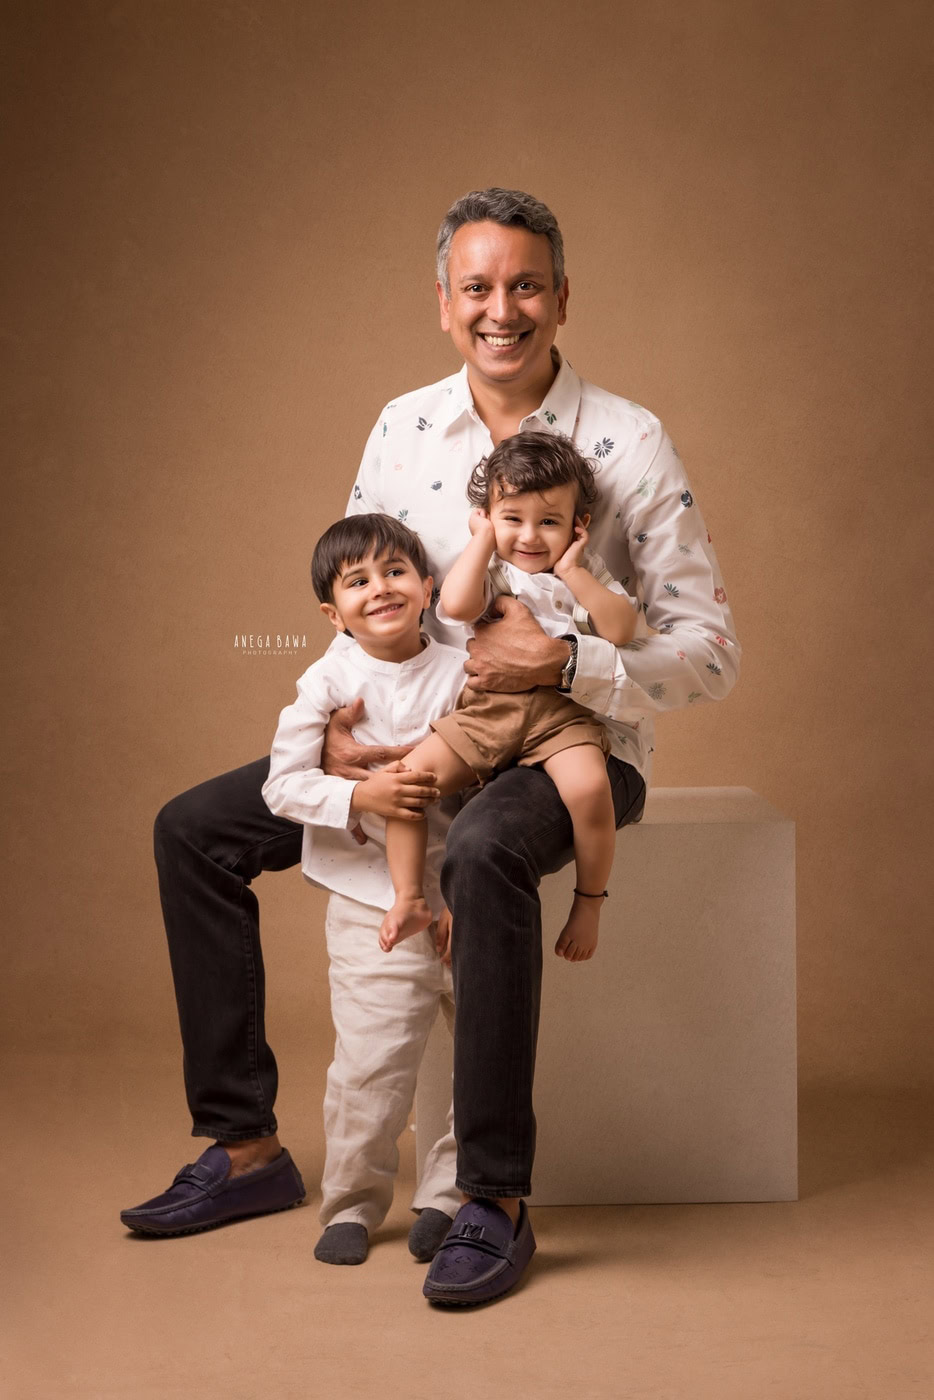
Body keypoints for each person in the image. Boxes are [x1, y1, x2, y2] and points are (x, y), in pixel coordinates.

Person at [122, 187, 739, 1309]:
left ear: (561, 298)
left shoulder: (631, 440)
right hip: (415, 736)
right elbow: (359, 597)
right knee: (193, 830)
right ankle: (246, 1147)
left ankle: (493, 1198)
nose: (501, 309)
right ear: (444, 305)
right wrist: (344, 729)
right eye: (477, 287)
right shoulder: (402, 426)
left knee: (487, 847)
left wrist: (568, 669)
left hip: (568, 744)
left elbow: (708, 653)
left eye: (525, 285)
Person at [260, 513, 469, 1265]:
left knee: (471, 1053)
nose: (379, 589)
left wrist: (463, 896)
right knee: (372, 1060)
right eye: (357, 582)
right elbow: (283, 787)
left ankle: (450, 1195)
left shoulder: (461, 672)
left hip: (459, 893)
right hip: (367, 900)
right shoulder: (328, 680)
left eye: (394, 572)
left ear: (428, 586)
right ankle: (351, 1203)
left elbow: (492, 777)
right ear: (332, 611)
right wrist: (359, 800)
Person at [378, 431, 638, 964]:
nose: (530, 536)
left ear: (577, 526)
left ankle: (589, 902)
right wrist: (480, 540)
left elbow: (622, 629)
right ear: (488, 515)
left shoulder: (584, 575)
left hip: (562, 714)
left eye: (549, 521)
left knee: (590, 790)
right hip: (490, 709)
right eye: (511, 518)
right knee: (407, 781)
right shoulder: (493, 568)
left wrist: (573, 573)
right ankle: (408, 897)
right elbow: (454, 605)